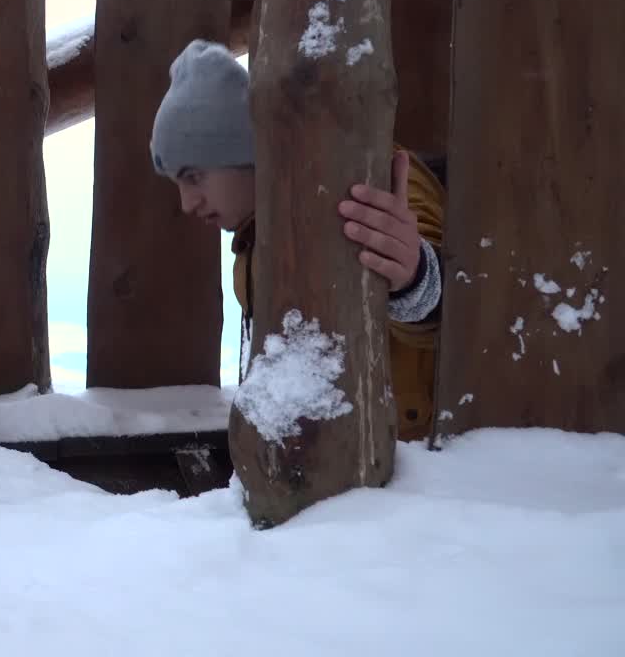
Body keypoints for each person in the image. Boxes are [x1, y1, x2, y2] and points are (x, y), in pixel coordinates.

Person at [149, 39, 446, 441]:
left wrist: (416, 279)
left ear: (243, 152)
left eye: (194, 176)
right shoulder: (255, 238)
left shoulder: (363, 180)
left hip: (414, 474)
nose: (187, 203)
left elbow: (464, 293)